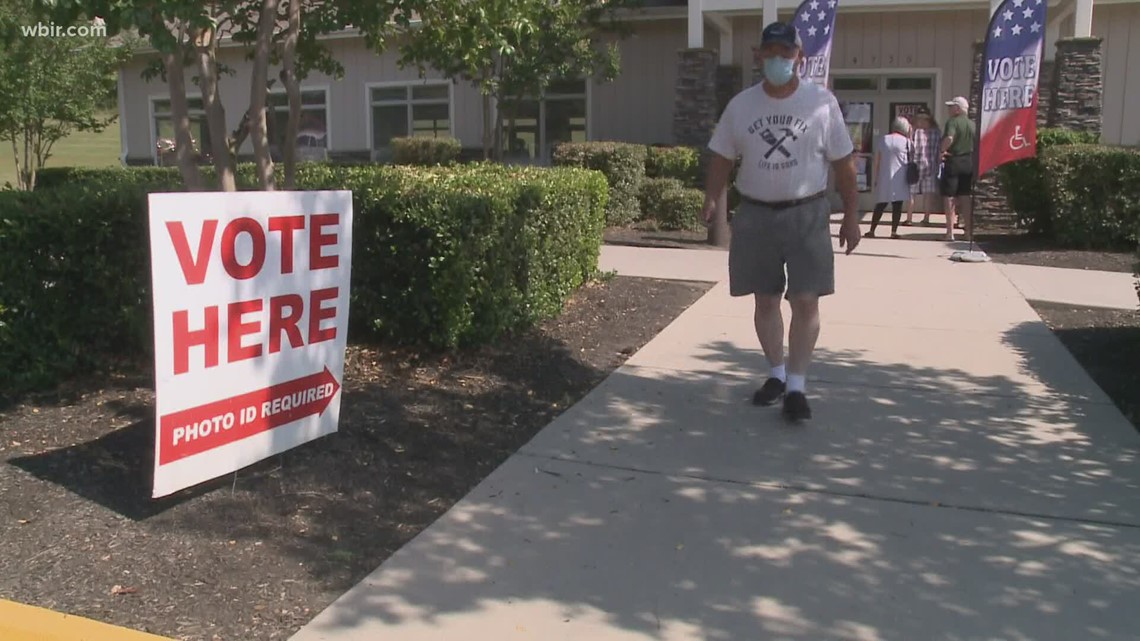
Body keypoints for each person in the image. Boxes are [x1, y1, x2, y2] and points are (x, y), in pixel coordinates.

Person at [700, 20, 859, 423]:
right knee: (765, 299)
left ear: (799, 57)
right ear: (758, 56)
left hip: (807, 213)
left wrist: (852, 216)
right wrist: (711, 198)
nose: (777, 61)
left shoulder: (821, 104)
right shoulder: (742, 105)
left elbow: (844, 165)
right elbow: (722, 156)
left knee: (806, 300)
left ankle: (797, 387)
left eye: (784, 54)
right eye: (769, 54)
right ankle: (776, 372)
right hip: (755, 213)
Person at [865, 117, 913, 239]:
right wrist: (911, 136)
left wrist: (875, 177)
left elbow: (877, 160)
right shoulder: (907, 142)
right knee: (897, 205)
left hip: (884, 176)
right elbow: (912, 156)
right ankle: (894, 231)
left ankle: (872, 230)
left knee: (880, 204)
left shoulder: (884, 139)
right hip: (900, 176)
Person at [939, 96, 976, 241]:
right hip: (968, 161)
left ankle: (950, 232)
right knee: (965, 196)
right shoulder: (972, 124)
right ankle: (968, 231)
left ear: (958, 109)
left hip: (953, 160)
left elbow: (949, 138)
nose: (949, 109)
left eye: (951, 106)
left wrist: (941, 151)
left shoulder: (952, 122)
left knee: (949, 197)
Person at [904, 107, 942, 227]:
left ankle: (909, 218)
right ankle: (926, 218)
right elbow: (938, 150)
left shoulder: (915, 131)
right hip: (930, 166)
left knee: (911, 193)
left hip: (916, 165)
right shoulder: (937, 132)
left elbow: (910, 147)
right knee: (928, 194)